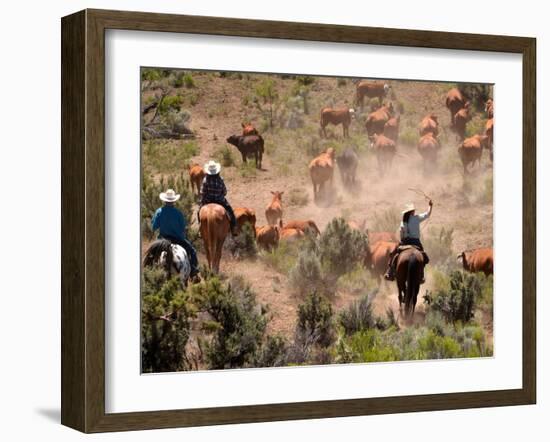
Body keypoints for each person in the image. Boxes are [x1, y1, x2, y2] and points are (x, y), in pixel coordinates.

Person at [151, 188, 200, 278]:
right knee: (192, 251)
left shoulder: (159, 212)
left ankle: (150, 271)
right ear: (174, 201)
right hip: (178, 239)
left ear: (164, 201)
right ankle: (193, 271)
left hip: (162, 239)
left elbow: (154, 227)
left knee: (151, 254)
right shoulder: (178, 213)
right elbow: (183, 228)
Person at [384, 200, 433, 283]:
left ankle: (390, 272)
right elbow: (427, 214)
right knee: (424, 257)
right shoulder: (417, 218)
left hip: (405, 242)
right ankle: (421, 275)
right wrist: (430, 206)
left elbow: (402, 233)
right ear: (412, 211)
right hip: (416, 242)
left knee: (393, 254)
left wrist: (402, 239)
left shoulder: (403, 221)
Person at [198, 160, 238, 236]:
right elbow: (224, 191)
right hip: (220, 201)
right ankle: (233, 229)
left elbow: (202, 192)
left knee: (198, 211)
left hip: (207, 201)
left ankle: (200, 229)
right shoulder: (220, 179)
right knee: (231, 211)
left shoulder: (205, 180)